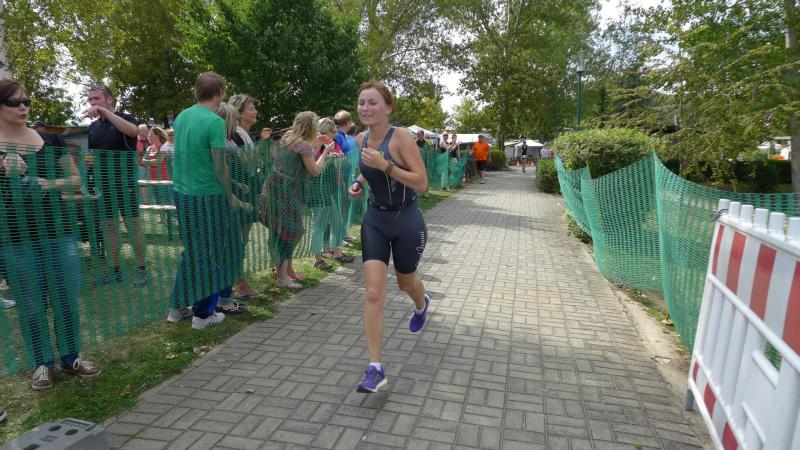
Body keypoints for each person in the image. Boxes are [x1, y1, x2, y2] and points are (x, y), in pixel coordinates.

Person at [0, 79, 100, 389]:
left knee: (66, 298)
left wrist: (47, 183)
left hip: (59, 231)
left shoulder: (50, 140)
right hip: (16, 238)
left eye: (26, 101)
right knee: (31, 304)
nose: (23, 107)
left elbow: (75, 181)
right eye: (14, 102)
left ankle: (71, 357)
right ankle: (42, 363)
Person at [349, 80, 430, 393]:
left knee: (405, 283)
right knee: (372, 293)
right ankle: (375, 368)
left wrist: (387, 167)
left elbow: (422, 183)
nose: (365, 108)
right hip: (375, 221)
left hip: (407, 219)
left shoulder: (402, 137)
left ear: (388, 108)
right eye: (361, 102)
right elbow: (368, 169)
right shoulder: (360, 139)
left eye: (372, 103)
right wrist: (359, 182)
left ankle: (421, 304)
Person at [168, 72, 248, 328]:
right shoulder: (214, 122)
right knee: (211, 255)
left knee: (192, 251)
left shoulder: (182, 116)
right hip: (207, 196)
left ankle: (177, 307)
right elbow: (219, 166)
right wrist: (230, 195)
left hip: (182, 193)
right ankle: (203, 314)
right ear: (221, 92)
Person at [85, 83, 148, 285]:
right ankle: (115, 271)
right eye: (90, 99)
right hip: (103, 184)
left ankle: (142, 269)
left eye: (96, 98)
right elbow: (92, 154)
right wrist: (89, 166)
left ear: (109, 99)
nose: (93, 103)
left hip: (125, 182)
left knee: (133, 226)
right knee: (109, 228)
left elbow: (132, 132)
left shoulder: (126, 118)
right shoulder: (93, 128)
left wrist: (105, 112)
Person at [268, 112, 335, 289]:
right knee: (291, 233)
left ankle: (288, 271)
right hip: (289, 193)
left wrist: (317, 143)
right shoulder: (303, 145)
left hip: (276, 189)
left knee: (286, 232)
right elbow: (315, 170)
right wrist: (325, 152)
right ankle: (282, 277)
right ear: (312, 127)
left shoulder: (287, 138)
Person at [227, 93, 262, 300]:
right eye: (251, 108)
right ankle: (239, 283)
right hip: (239, 191)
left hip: (247, 190)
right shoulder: (236, 135)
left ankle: (238, 281)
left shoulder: (246, 135)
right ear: (239, 113)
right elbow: (247, 164)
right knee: (238, 239)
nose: (255, 111)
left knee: (243, 238)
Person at [141, 127, 170, 222]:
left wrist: (148, 161)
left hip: (163, 178)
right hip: (152, 179)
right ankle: (163, 219)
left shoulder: (163, 147)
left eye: (151, 134)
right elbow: (143, 161)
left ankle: (172, 218)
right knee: (157, 200)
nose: (148, 136)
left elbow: (159, 161)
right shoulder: (149, 148)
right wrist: (151, 161)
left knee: (165, 200)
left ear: (157, 135)